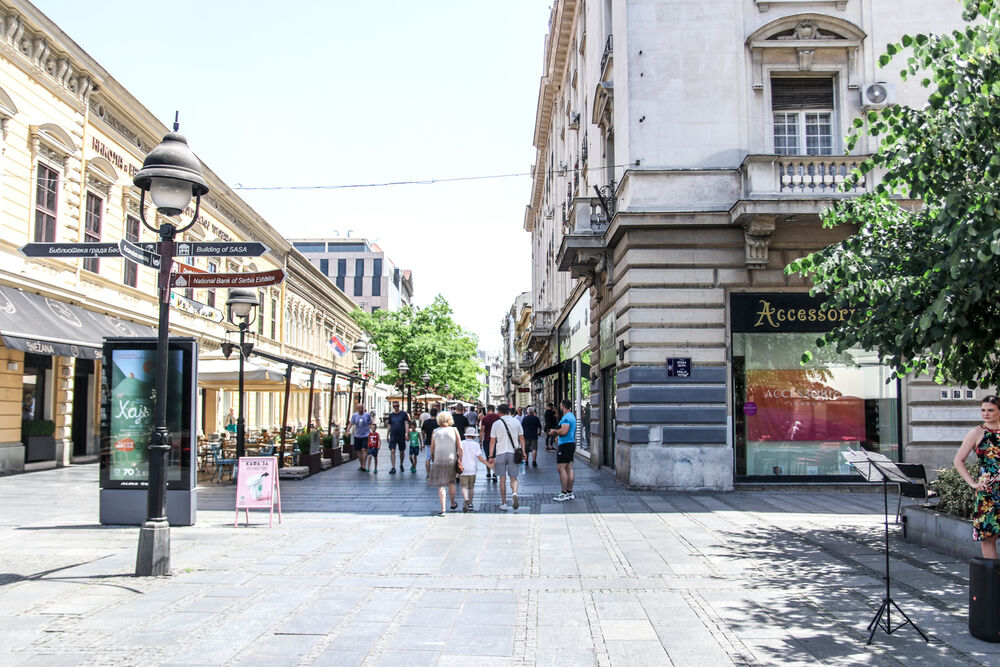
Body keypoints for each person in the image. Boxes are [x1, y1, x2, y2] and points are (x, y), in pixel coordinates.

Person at [954, 395, 1000, 558]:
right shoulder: (976, 432)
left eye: (990, 410)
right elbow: (958, 460)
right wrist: (972, 483)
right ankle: (993, 580)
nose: (986, 414)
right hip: (986, 490)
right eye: (983, 410)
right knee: (988, 537)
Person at [488, 404, 525, 511]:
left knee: (502, 479)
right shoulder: (516, 421)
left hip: (500, 453)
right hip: (513, 453)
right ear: (508, 411)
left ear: (499, 412)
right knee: (514, 477)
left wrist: (491, 455)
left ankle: (504, 503)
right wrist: (523, 451)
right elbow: (521, 438)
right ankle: (514, 493)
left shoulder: (496, 424)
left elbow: (492, 441)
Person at [428, 411, 462, 515]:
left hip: (439, 460)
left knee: (441, 485)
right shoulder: (454, 430)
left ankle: (443, 509)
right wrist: (460, 459)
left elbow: (432, 447)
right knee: (451, 482)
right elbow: (460, 447)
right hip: (451, 459)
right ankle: (452, 503)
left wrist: (432, 456)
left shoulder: (435, 431)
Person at [548, 399, 577, 501]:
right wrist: (558, 437)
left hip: (565, 445)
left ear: (564, 407)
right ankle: (570, 492)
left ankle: (564, 492)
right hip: (570, 443)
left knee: (561, 468)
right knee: (569, 468)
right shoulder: (572, 416)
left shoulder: (566, 418)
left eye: (560, 406)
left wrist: (554, 432)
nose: (560, 408)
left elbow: (564, 431)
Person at [459, 426, 491, 512]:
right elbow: (480, 457)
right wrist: (488, 464)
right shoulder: (476, 445)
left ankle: (465, 499)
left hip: (463, 468)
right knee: (471, 487)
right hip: (472, 468)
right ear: (474, 436)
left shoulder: (461, 443)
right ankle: (470, 503)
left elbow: (459, 455)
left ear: (466, 435)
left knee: (464, 486)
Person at [348, 403, 373, 473]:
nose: (360, 410)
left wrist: (372, 431)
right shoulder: (354, 415)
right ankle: (361, 464)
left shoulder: (367, 415)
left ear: (363, 408)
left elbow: (371, 423)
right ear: (357, 409)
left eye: (362, 408)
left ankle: (364, 465)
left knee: (364, 450)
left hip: (366, 435)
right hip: (357, 435)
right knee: (358, 451)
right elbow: (350, 423)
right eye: (359, 408)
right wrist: (347, 431)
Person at [386, 401, 410, 474]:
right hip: (393, 434)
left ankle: (401, 464)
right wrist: (387, 435)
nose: (396, 407)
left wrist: (407, 433)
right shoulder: (391, 415)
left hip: (401, 434)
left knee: (401, 451)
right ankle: (393, 467)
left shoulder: (403, 414)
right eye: (394, 406)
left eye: (397, 406)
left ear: (399, 406)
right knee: (392, 450)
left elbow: (406, 423)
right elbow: (389, 425)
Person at [480, 405, 500, 483]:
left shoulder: (485, 418)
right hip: (496, 440)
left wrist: (480, 441)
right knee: (494, 457)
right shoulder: (497, 417)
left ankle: (488, 473)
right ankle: (494, 473)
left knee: (488, 456)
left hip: (487, 440)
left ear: (487, 410)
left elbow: (482, 430)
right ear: (494, 410)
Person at [422, 407, 439, 476]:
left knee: (428, 458)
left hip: (428, 441)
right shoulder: (438, 422)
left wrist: (424, 439)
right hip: (437, 442)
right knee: (437, 458)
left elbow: (422, 431)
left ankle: (428, 474)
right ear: (436, 414)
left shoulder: (426, 422)